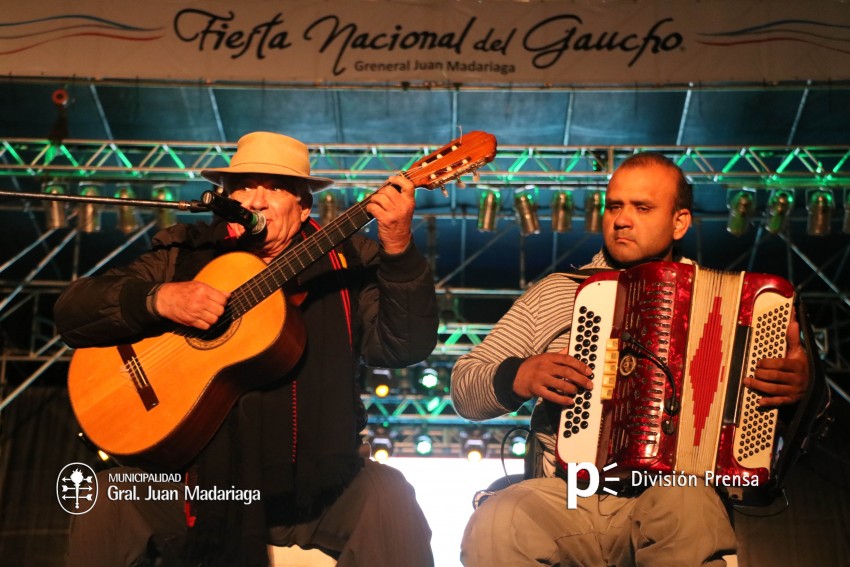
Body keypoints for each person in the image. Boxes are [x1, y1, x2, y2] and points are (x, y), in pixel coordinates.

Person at [55, 131, 439, 567]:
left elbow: (405, 346)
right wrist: (159, 298)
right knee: (108, 500)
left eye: (273, 187)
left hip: (315, 486)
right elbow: (73, 312)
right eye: (243, 186)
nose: (255, 200)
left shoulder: (351, 260)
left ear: (304, 205)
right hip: (194, 486)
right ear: (223, 196)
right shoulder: (184, 252)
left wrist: (400, 251)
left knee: (389, 497)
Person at [450, 152, 810, 566]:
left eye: (642, 207)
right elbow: (465, 387)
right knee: (499, 520)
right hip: (568, 494)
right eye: (614, 205)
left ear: (679, 221)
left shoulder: (737, 306)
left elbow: (804, 427)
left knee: (685, 503)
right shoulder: (557, 293)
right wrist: (517, 374)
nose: (622, 219)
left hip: (676, 492)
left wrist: (800, 392)